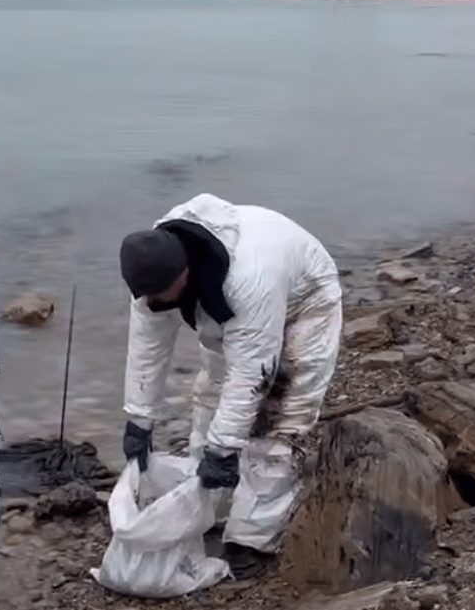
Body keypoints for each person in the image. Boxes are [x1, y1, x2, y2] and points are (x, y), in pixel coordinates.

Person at [118, 192, 341, 580]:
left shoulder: (248, 280)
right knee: (210, 397)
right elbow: (147, 346)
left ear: (183, 275)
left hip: (304, 303)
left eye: (159, 294)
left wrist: (223, 447)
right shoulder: (151, 264)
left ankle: (251, 540)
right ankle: (207, 508)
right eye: (146, 295)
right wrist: (139, 418)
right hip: (230, 313)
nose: (152, 302)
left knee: (278, 425)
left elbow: (252, 375)